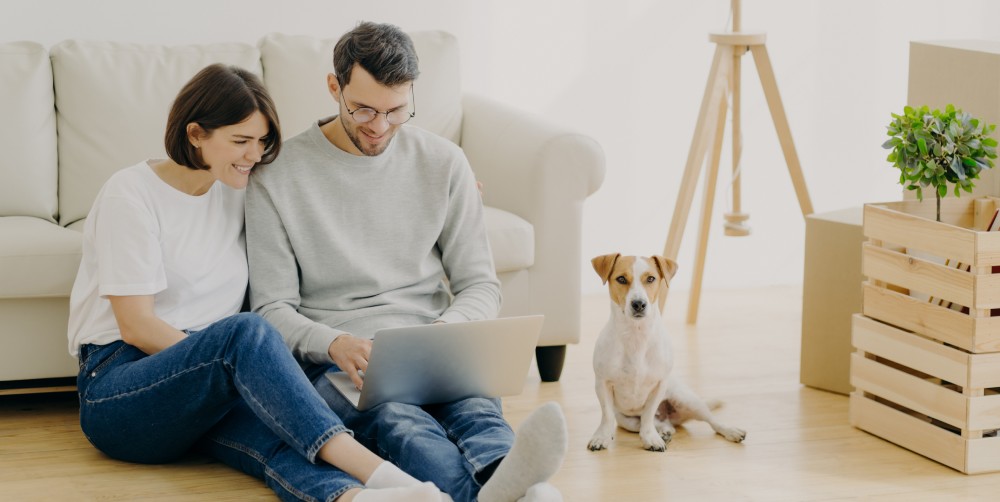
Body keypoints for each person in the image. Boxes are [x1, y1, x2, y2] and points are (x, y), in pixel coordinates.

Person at [66, 63, 451, 502]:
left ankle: (362, 498)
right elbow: (136, 326)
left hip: (210, 380)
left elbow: (327, 195)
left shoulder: (239, 188)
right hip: (121, 387)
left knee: (286, 440)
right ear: (195, 134)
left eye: (263, 141)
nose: (255, 155)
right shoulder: (131, 194)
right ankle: (384, 475)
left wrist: (444, 187)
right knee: (245, 333)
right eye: (240, 141)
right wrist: (227, 363)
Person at [245, 22, 568, 502]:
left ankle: (507, 484)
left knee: (478, 410)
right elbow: (270, 308)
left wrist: (450, 329)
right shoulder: (276, 175)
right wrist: (334, 343)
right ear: (334, 87)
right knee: (402, 423)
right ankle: (513, 493)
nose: (379, 126)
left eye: (397, 111)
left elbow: (480, 285)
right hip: (340, 361)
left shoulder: (445, 162)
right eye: (363, 109)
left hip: (435, 342)